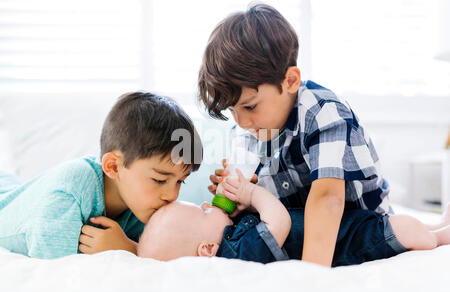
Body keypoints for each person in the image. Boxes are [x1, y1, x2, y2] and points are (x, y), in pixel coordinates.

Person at [198, 3, 394, 267]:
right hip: (301, 233)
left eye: (250, 106)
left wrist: (309, 277)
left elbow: (327, 199)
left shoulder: (322, 112)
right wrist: (241, 197)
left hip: (364, 230)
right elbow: (269, 208)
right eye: (232, 110)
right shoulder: (248, 132)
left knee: (408, 232)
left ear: (290, 81)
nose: (241, 122)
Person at [0, 92, 203, 259]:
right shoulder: (68, 195)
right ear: (113, 167)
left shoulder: (142, 205)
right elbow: (55, 274)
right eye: (160, 180)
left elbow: (170, 255)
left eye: (180, 181)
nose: (172, 195)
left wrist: (129, 249)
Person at [137, 168, 450, 266]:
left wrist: (240, 204)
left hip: (340, 227)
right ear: (206, 249)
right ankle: (439, 237)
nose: (209, 205)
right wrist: (252, 196)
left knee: (413, 225)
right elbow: (279, 222)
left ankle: (439, 226)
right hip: (350, 242)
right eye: (204, 211)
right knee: (406, 230)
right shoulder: (237, 252)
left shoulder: (232, 239)